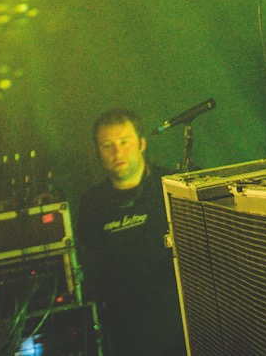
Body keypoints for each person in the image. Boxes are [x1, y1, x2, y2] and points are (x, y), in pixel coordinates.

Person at [75, 109, 184, 356]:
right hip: (124, 335)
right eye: (107, 146)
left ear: (142, 144)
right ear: (98, 152)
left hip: (181, 329)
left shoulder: (172, 186)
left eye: (124, 142)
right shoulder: (92, 204)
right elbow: (88, 270)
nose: (117, 152)